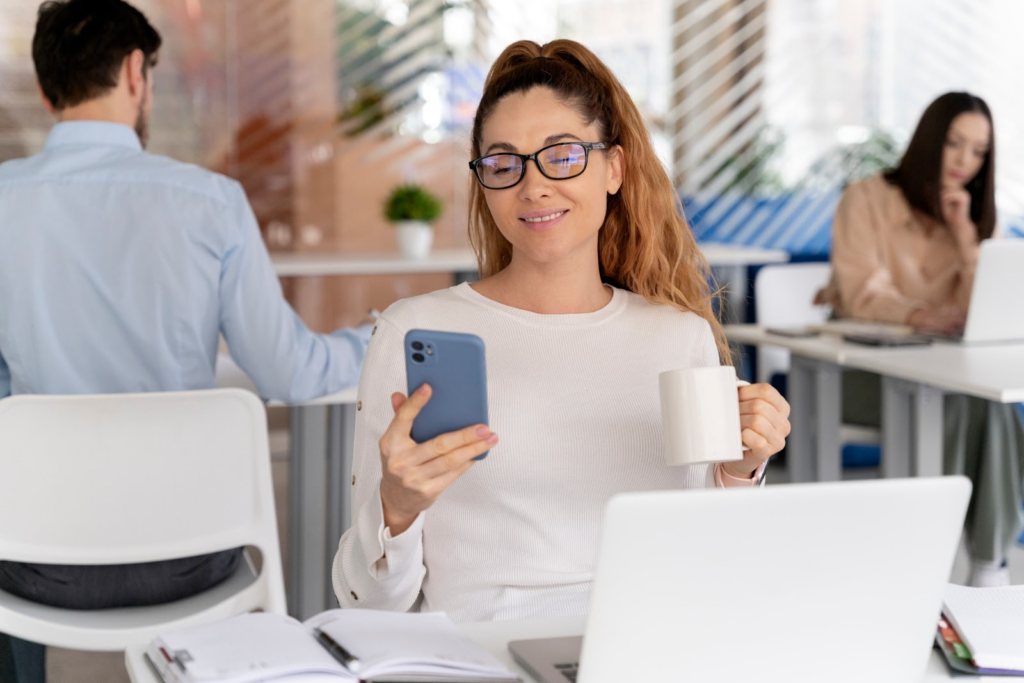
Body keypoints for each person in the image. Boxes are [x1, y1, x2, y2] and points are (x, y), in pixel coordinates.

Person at [331, 39, 791, 622]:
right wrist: (395, 510)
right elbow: (370, 604)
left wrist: (739, 471)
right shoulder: (416, 329)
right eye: (504, 163)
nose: (533, 185)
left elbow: (714, 559)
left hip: (644, 643)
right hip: (482, 653)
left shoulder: (677, 336)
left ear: (614, 168)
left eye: (563, 155)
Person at [0, 2, 370, 681]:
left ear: (48, 91)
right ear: (137, 73)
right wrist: (377, 337)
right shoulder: (211, 201)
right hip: (189, 559)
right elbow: (291, 372)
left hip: (35, 565)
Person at [818, 92, 1024, 587]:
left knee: (990, 405)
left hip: (945, 376)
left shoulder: (975, 217)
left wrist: (965, 241)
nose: (964, 161)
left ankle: (984, 566)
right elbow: (861, 293)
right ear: (931, 139)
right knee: (960, 402)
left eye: (978, 151)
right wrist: (920, 314)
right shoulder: (866, 198)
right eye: (955, 143)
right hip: (861, 372)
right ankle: (931, 562)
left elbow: (988, 310)